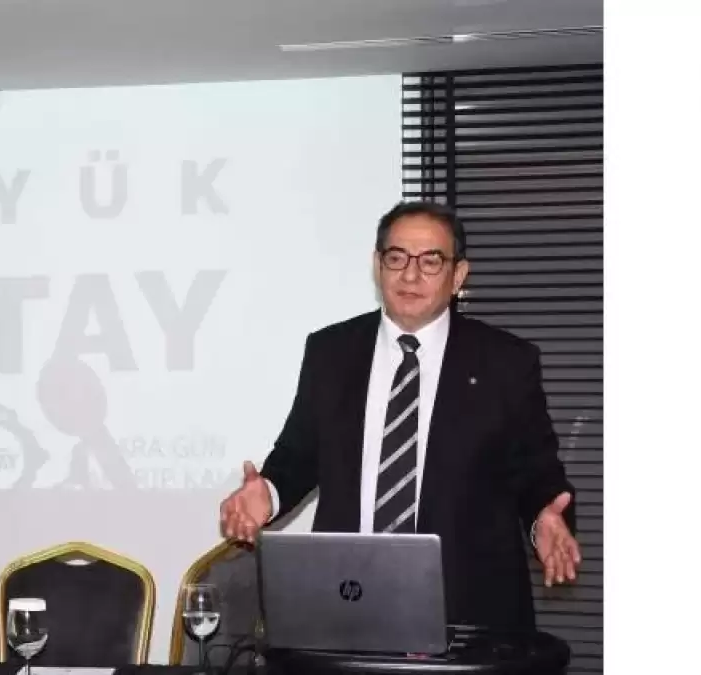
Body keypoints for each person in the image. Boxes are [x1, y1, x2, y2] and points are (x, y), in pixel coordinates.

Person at [220, 200, 581, 631]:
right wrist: (269, 492)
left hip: (470, 616)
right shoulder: (332, 352)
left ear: (458, 275)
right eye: (397, 258)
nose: (410, 275)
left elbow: (538, 475)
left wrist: (545, 522)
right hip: (349, 602)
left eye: (430, 261)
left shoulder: (505, 362)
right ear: (378, 266)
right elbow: (298, 457)